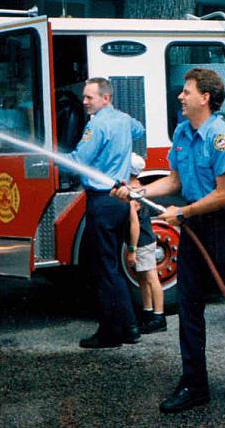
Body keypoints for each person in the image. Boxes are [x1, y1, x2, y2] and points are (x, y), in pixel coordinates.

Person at [113, 68, 225, 414]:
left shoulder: (221, 137)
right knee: (188, 307)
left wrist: (184, 213)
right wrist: (138, 191)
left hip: (223, 228)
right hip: (195, 228)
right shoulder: (183, 132)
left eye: (187, 91)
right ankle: (194, 384)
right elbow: (174, 180)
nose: (181, 97)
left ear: (205, 97)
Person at [70, 77, 146, 349]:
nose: (84, 101)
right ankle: (130, 327)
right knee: (112, 265)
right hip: (120, 200)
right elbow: (140, 130)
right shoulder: (123, 119)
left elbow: (80, 160)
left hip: (102, 200)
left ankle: (110, 333)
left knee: (105, 269)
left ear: (105, 98)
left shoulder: (97, 124)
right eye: (84, 97)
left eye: (89, 97)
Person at [126, 153, 166, 334]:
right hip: (144, 240)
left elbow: (134, 225)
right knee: (143, 277)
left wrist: (132, 249)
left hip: (142, 241)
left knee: (150, 277)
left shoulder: (132, 196)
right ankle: (148, 312)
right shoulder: (137, 187)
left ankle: (159, 316)